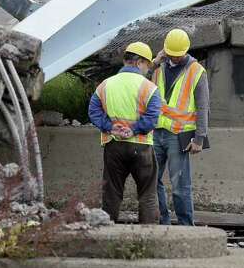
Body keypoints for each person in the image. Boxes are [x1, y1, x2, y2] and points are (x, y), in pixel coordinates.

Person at [88, 42, 162, 223]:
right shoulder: (149, 88)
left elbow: (93, 111)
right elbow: (153, 117)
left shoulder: (105, 85)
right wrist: (134, 130)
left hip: (114, 146)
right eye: (147, 65)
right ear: (139, 63)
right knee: (147, 195)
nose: (147, 69)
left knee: (111, 193)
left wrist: (109, 127)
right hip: (142, 147)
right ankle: (149, 237)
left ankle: (106, 233)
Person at [150, 28, 210, 226]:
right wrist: (154, 62)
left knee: (180, 185)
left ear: (186, 51)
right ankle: (162, 221)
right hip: (156, 132)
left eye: (178, 55)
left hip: (179, 135)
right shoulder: (158, 67)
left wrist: (199, 138)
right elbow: (139, 81)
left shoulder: (196, 71)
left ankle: (186, 226)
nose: (174, 58)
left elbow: (203, 106)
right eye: (171, 54)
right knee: (151, 180)